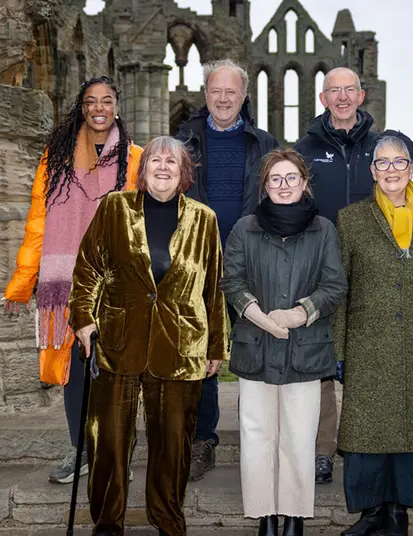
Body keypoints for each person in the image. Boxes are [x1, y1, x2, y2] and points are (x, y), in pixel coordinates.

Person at [68, 136, 228, 536]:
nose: (162, 167)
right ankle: (107, 523)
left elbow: (214, 288)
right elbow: (88, 268)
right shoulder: (115, 208)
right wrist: (84, 319)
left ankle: (168, 521)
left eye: (171, 162)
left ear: (183, 172)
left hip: (181, 345)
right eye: (155, 159)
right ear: (143, 169)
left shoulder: (204, 219)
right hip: (119, 341)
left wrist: (215, 346)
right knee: (109, 440)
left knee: (173, 445)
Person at [2, 76, 142, 484]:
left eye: (107, 100)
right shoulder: (56, 158)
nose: (99, 107)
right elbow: (38, 222)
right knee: (75, 370)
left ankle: (116, 452)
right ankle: (79, 449)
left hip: (119, 283)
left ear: (117, 106)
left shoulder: (135, 159)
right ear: (82, 109)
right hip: (66, 282)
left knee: (116, 372)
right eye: (90, 101)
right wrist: (23, 281)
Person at [334, 131, 413, 536]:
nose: (392, 170)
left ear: (412, 168)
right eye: (383, 162)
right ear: (373, 170)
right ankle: (372, 511)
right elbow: (341, 287)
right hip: (368, 336)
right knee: (368, 427)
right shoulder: (350, 219)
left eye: (400, 161)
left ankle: (399, 512)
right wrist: (338, 347)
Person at [222, 148, 348, 536]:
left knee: (298, 434)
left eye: (291, 177)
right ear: (264, 187)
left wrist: (297, 314)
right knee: (258, 434)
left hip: (305, 347)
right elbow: (232, 280)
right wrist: (259, 315)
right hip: (255, 343)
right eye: (275, 179)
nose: (283, 185)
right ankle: (265, 515)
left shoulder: (323, 229)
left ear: (305, 183)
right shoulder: (246, 228)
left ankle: (294, 515)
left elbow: (334, 284)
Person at [175, 58, 279, 481]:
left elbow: (278, 200)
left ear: (244, 96)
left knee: (258, 348)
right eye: (216, 91)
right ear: (206, 95)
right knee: (201, 352)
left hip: (250, 261)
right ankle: (203, 440)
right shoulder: (185, 141)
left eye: (231, 92)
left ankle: (267, 437)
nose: (223, 98)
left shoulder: (265, 142)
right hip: (197, 261)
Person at [293, 67, 378, 485]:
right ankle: (322, 449)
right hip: (319, 267)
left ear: (361, 96)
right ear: (323, 98)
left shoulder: (382, 146)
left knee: (368, 359)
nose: (342, 97)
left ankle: (366, 445)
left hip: (373, 268)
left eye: (349, 90)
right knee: (322, 362)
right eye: (334, 91)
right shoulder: (304, 149)